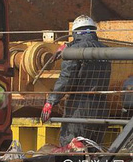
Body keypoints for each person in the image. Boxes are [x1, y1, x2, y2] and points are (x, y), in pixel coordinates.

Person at [41, 15, 111, 146]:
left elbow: (66, 79)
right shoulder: (106, 50)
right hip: (102, 107)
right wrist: (68, 45)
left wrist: (50, 102)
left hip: (79, 107)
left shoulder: (74, 52)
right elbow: (86, 41)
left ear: (75, 32)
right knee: (94, 149)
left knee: (72, 147)